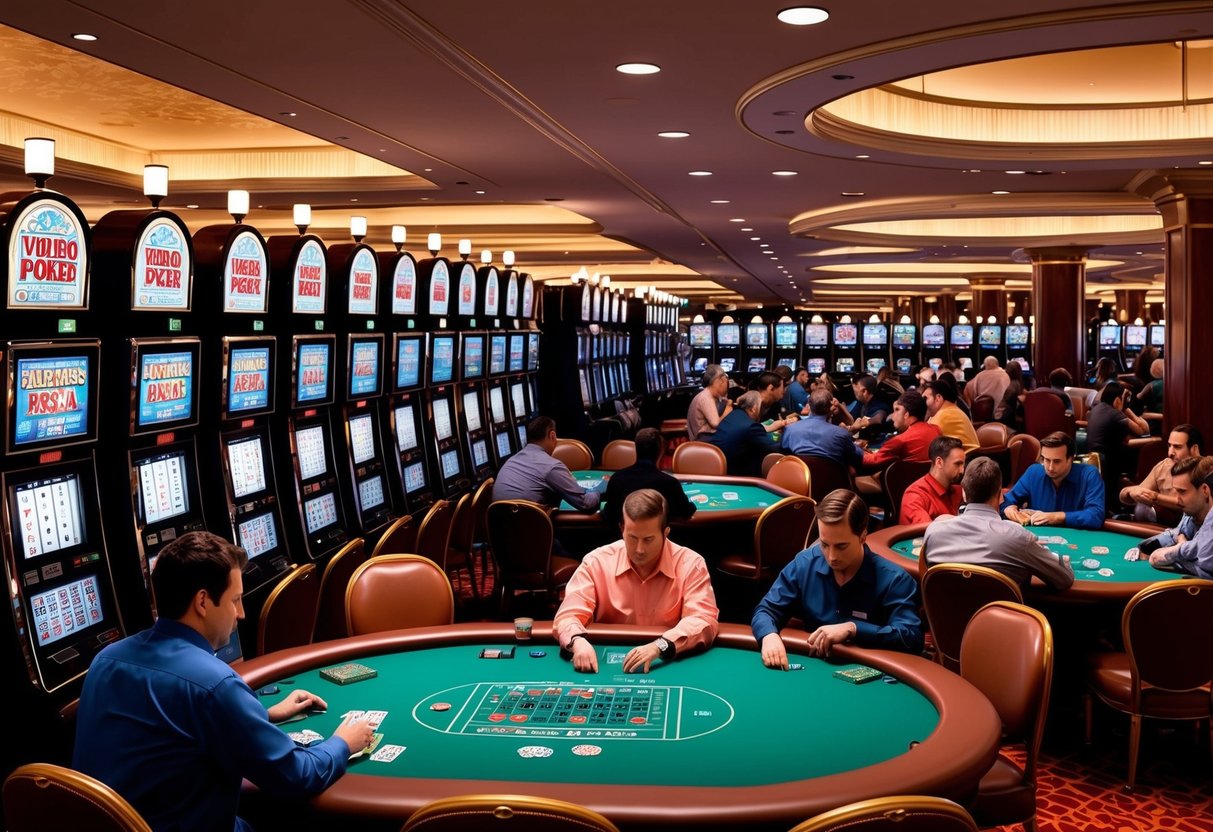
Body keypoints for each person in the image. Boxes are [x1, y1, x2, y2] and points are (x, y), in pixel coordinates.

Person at [73, 532, 375, 832]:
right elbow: (296, 777)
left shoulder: (106, 660)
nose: (241, 614)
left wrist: (263, 714)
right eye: (235, 600)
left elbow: (164, 729)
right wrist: (343, 743)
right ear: (203, 602)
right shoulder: (215, 684)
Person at [752, 488, 923, 666]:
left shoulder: (895, 579)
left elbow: (912, 638)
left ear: (863, 536)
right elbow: (766, 611)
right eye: (824, 544)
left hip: (874, 677)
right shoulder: (804, 564)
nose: (832, 556)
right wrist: (769, 635)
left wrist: (853, 628)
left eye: (841, 546)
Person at [555, 489, 720, 673]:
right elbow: (568, 616)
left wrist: (660, 645)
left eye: (648, 540)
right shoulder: (596, 562)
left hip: (664, 663)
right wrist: (577, 641)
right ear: (622, 529)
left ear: (666, 533)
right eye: (632, 538)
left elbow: (703, 619)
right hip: (605, 664)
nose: (639, 549)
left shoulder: (691, 564)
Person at [924, 457, 1075, 590]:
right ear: (1000, 495)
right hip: (1003, 622)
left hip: (945, 621)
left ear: (963, 492)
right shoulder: (1019, 537)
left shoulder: (933, 532)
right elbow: (1064, 579)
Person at [493, 416, 601, 512]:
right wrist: (596, 491)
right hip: (535, 531)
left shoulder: (510, 461)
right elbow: (586, 504)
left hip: (500, 531)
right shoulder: (552, 466)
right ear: (552, 435)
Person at [1001, 431, 1105, 529]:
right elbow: (1006, 501)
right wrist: (1008, 508)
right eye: (1046, 460)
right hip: (1038, 540)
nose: (1050, 467)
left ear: (1070, 459)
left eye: (1057, 461)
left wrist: (1056, 517)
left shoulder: (1089, 474)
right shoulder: (1034, 472)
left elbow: (1096, 515)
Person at [601, 427, 696, 526]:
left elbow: (609, 514)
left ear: (636, 449)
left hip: (622, 538)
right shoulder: (669, 483)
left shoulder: (617, 479)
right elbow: (686, 512)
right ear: (660, 451)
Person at [1140, 456, 1213, 579]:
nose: (1177, 499)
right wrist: (1142, 547)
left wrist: (1180, 547)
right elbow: (1176, 535)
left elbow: (1205, 573)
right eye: (1176, 491)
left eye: (1182, 492)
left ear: (1205, 490)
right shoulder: (1190, 513)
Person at [1120, 424, 1203, 523]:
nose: (1170, 453)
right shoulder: (1164, 466)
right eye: (1169, 446)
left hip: (1194, 528)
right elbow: (1130, 495)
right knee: (1141, 508)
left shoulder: (1204, 470)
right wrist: (1129, 492)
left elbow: (1187, 504)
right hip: (1162, 529)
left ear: (1194, 449)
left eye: (1177, 447)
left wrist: (1155, 497)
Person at [1085, 381, 1150, 507]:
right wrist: (1125, 408)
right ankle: (1132, 497)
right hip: (1108, 461)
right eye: (1122, 398)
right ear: (1117, 400)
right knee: (1139, 454)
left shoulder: (1097, 408)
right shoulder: (1115, 414)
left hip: (1094, 458)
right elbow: (1143, 430)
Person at [779, 387, 863, 468]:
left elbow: (784, 456)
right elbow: (857, 459)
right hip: (833, 481)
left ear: (809, 405)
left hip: (801, 479)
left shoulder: (790, 429)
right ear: (831, 407)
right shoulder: (841, 433)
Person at [859, 389, 940, 469]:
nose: (892, 416)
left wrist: (852, 446)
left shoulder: (900, 440)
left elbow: (871, 461)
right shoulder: (936, 430)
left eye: (897, 410)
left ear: (906, 414)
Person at [706, 390, 778, 477]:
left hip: (716, 466)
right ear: (753, 409)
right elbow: (772, 448)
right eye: (760, 406)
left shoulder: (733, 414)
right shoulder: (751, 426)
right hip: (734, 473)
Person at [900, 436, 965, 525]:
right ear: (939, 462)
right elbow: (928, 532)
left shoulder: (960, 491)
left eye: (963, 465)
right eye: (957, 464)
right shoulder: (915, 495)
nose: (962, 470)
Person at [923, 378, 979, 452]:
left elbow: (924, 441)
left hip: (966, 460)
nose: (923, 403)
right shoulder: (949, 410)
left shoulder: (944, 415)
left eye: (925, 399)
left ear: (938, 398)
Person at [687, 364, 732, 440]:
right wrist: (728, 409)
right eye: (726, 380)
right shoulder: (706, 397)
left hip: (703, 437)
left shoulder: (707, 394)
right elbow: (715, 423)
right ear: (721, 380)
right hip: (702, 440)